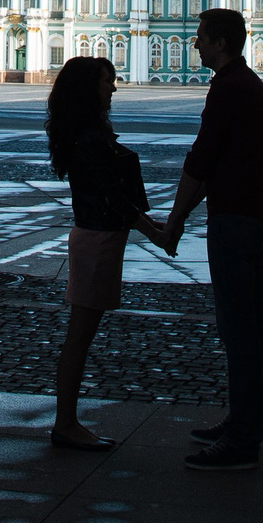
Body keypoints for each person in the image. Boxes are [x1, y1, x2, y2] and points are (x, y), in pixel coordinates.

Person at [164, 8, 263, 471]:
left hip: (236, 218)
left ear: (222, 43)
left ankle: (241, 441)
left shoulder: (230, 90)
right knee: (248, 323)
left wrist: (175, 218)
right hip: (251, 214)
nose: (196, 44)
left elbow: (203, 158)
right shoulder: (246, 85)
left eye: (202, 38)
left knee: (239, 329)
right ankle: (242, 423)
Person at [44, 55, 171, 451]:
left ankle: (67, 421)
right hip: (96, 241)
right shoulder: (89, 138)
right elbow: (111, 197)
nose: (114, 88)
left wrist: (155, 229)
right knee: (79, 337)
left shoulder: (88, 131)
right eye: (107, 81)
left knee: (80, 336)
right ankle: (65, 423)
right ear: (88, 88)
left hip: (99, 239)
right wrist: (156, 232)